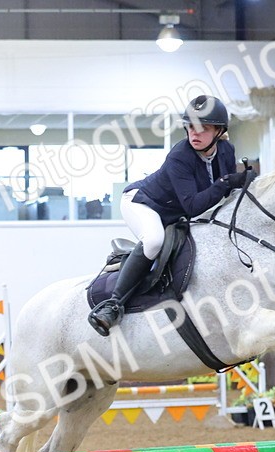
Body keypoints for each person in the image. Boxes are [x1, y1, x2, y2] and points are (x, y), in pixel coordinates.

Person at [88, 94, 248, 336]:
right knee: (153, 241)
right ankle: (112, 305)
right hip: (143, 203)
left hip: (175, 211)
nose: (194, 133)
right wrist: (227, 181)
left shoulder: (226, 150)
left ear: (218, 131)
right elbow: (195, 205)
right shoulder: (180, 155)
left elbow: (225, 196)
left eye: (203, 128)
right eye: (190, 126)